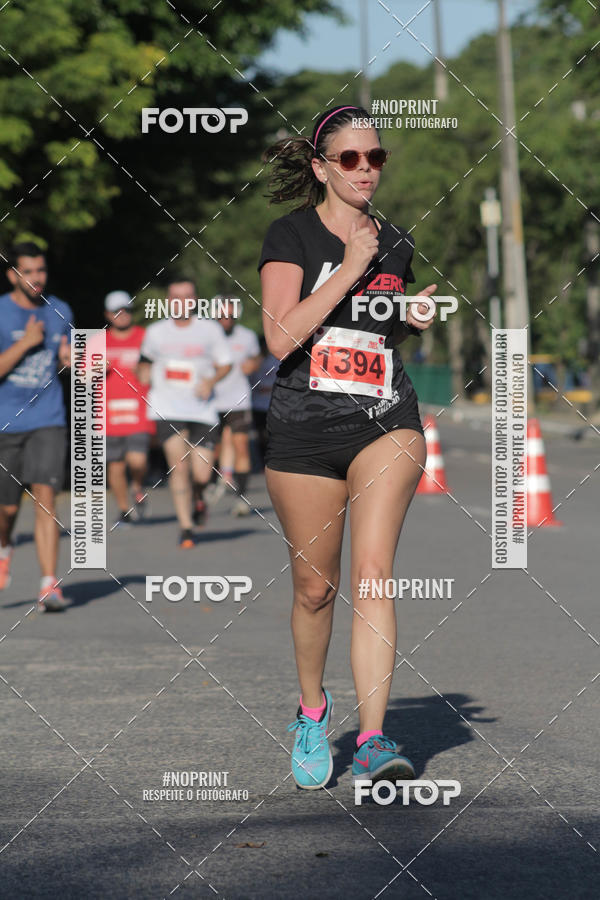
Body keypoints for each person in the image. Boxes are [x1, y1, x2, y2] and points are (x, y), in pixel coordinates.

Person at [258, 105, 437, 790]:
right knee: (314, 589)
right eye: (351, 159)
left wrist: (408, 315)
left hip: (385, 420)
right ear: (320, 166)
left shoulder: (396, 241)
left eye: (376, 157)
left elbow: (372, 330)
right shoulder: (291, 235)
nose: (366, 170)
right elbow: (281, 338)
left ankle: (371, 738)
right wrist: (351, 264)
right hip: (304, 430)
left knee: (372, 574)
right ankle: (312, 710)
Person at [0, 242, 72, 611]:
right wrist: (26, 343)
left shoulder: (60, 310)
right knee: (7, 510)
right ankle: (4, 545)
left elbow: (65, 355)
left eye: (40, 270)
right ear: (12, 274)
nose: (36, 278)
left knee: (46, 496)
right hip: (6, 422)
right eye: (27, 271)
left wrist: (69, 359)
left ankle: (49, 585)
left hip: (48, 418)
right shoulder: (0, 312)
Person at [137, 277, 231, 548]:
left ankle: (199, 498)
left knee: (202, 474)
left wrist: (211, 381)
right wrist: (143, 373)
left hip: (202, 408)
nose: (182, 302)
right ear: (168, 301)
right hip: (166, 407)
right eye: (176, 297)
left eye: (187, 297)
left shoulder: (210, 330)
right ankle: (186, 527)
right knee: (179, 467)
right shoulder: (156, 332)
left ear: (195, 300)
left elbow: (225, 364)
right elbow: (144, 362)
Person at [101, 291, 154, 528]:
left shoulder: (146, 337)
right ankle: (124, 510)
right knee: (115, 465)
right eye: (116, 311)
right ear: (108, 314)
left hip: (139, 410)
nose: (122, 315)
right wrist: (94, 368)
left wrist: (147, 371)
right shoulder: (99, 341)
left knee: (137, 460)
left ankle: (137, 485)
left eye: (126, 310)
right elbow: (81, 375)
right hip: (108, 413)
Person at [212, 296, 261, 516]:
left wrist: (254, 364)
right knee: (212, 449)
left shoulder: (247, 336)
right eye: (222, 315)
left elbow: (256, 358)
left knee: (241, 445)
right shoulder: (206, 335)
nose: (227, 319)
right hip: (210, 401)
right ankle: (213, 482)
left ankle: (241, 497)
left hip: (238, 399)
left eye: (231, 315)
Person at [251, 335, 278, 468]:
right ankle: (263, 462)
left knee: (271, 434)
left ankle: (271, 461)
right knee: (260, 435)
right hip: (257, 404)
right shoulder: (255, 362)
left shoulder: (276, 360)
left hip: (272, 404)